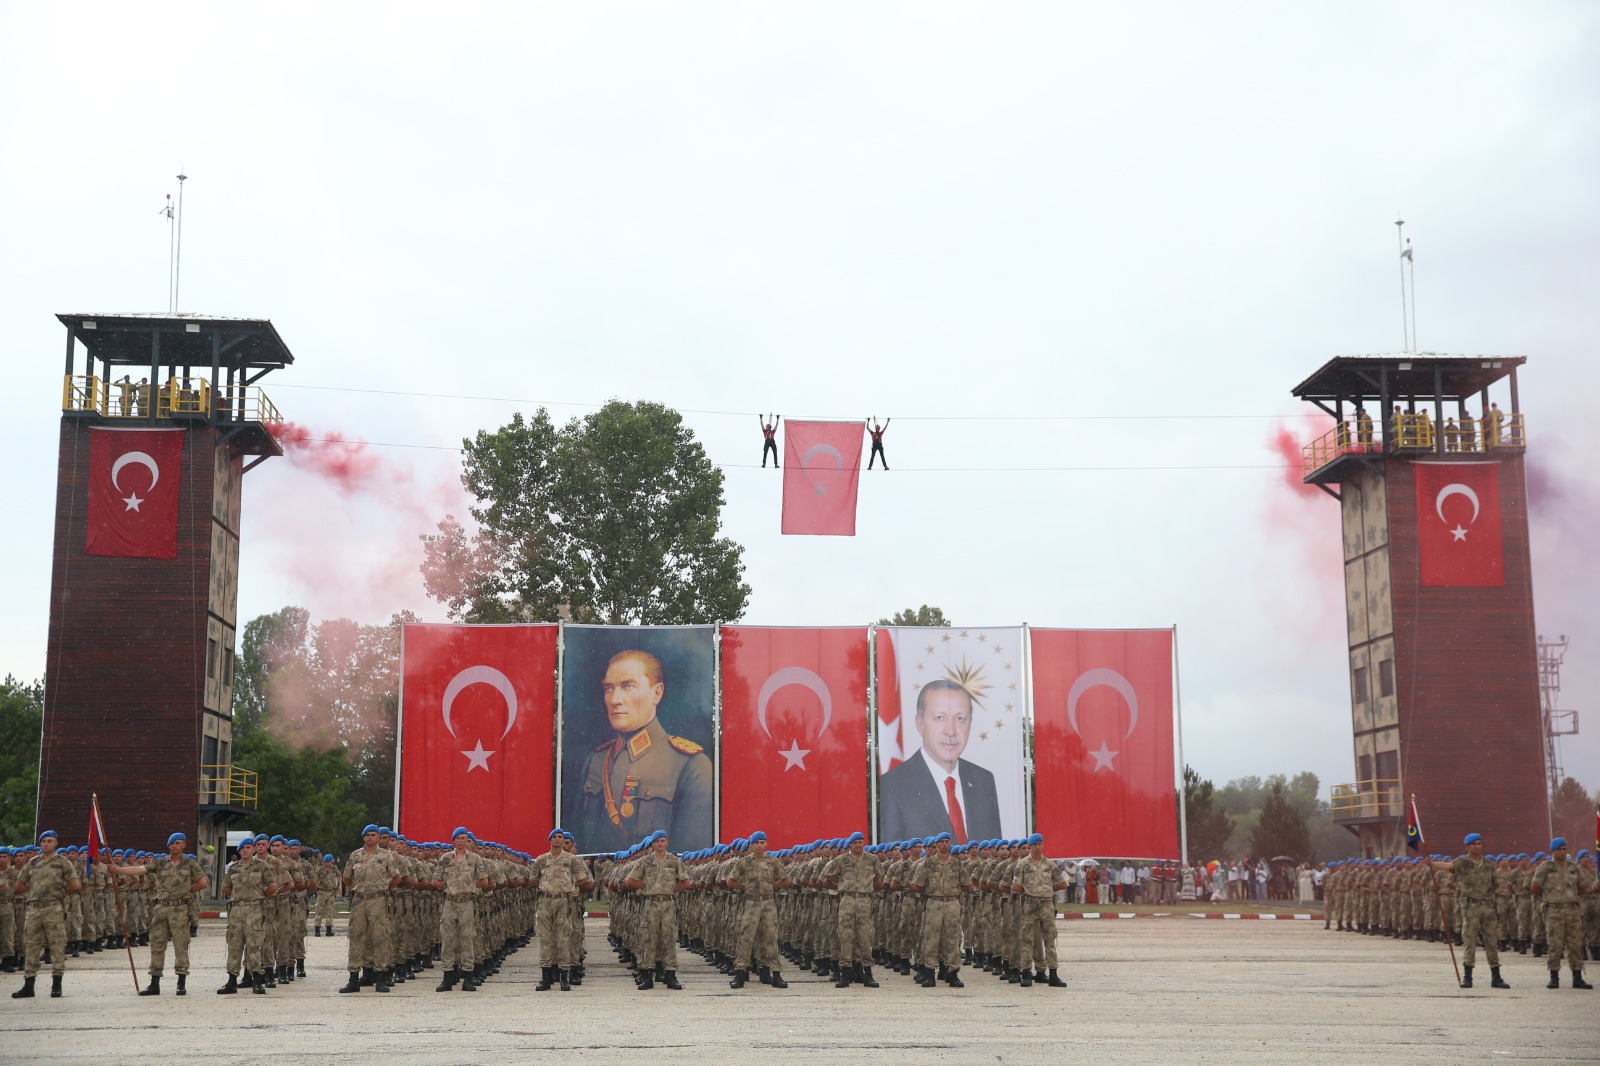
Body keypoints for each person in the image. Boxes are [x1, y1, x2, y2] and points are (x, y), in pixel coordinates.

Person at [576, 650, 714, 854]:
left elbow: (692, 858)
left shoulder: (691, 765)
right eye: (608, 688)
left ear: (657, 693)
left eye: (628, 686)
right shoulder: (596, 761)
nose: (614, 699)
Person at [877, 679, 1003, 843]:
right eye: (940, 717)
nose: (950, 731)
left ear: (970, 724)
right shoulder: (893, 785)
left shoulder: (983, 780)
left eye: (960, 719)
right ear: (920, 724)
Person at [107, 832, 207, 996]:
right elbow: (139, 869)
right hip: (161, 909)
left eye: (178, 843)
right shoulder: (160, 862)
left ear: (184, 845)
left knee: (181, 945)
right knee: (157, 945)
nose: (174, 846)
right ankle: (154, 983)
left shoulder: (189, 864)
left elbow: (203, 882)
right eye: (172, 843)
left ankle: (181, 983)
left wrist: (188, 891)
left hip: (180, 909)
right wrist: (117, 869)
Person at [1429, 833, 1509, 989]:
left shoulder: (1487, 864)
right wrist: (1432, 863)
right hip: (1470, 907)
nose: (1478, 846)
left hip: (1488, 907)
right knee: (1470, 941)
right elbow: (1449, 866)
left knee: (1492, 941)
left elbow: (1495, 884)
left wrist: (1484, 894)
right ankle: (1468, 977)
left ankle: (1496, 977)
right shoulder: (1463, 862)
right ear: (1467, 846)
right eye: (1474, 844)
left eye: (1480, 843)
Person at [10, 830, 82, 999]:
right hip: (34, 909)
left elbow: (75, 884)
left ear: (56, 843)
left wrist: (60, 892)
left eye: (49, 841)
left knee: (57, 945)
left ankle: (56, 984)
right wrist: (33, 892)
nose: (46, 844)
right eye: (43, 841)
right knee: (32, 945)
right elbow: (19, 884)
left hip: (54, 908)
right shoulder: (33, 862)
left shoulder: (62, 862)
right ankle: (29, 985)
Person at [621, 831, 691, 990]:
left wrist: (673, 889)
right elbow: (630, 880)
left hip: (668, 903)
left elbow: (686, 882)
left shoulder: (674, 861)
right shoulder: (645, 861)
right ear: (652, 844)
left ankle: (671, 975)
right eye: (657, 841)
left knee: (669, 939)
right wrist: (646, 888)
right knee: (649, 938)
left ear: (667, 842)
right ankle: (647, 976)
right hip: (650, 903)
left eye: (663, 840)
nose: (660, 843)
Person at [726, 830, 792, 989]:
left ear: (766, 844)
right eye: (757, 843)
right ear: (751, 845)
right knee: (746, 938)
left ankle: (775, 973)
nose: (760, 846)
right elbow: (730, 881)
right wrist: (745, 888)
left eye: (762, 842)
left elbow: (786, 880)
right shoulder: (744, 862)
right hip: (751, 904)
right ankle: (740, 973)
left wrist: (772, 887)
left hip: (768, 904)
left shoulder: (773, 862)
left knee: (771, 938)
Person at [340, 824, 402, 993]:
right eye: (367, 835)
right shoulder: (355, 856)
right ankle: (354, 978)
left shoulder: (385, 856)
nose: (370, 838)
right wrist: (359, 888)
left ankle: (381, 977)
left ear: (377, 837)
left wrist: (382, 889)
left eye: (373, 835)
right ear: (363, 837)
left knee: (380, 937)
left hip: (378, 901)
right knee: (356, 938)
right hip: (359, 900)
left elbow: (396, 878)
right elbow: (347, 878)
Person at [429, 827, 492, 992]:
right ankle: (447, 977)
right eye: (458, 838)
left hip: (466, 903)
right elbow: (435, 881)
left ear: (467, 840)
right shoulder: (446, 858)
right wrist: (448, 886)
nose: (461, 841)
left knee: (467, 939)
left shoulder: (475, 859)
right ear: (454, 841)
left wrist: (470, 886)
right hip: (449, 902)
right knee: (447, 939)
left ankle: (468, 977)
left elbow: (484, 882)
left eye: (464, 838)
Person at [531, 828, 593, 991]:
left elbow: (583, 880)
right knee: (546, 939)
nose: (558, 840)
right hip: (545, 901)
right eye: (555, 837)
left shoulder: (572, 860)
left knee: (564, 938)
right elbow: (533, 879)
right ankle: (546, 977)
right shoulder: (541, 860)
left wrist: (569, 888)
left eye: (561, 837)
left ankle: (564, 976)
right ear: (550, 840)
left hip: (564, 902)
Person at [1531, 837, 1595, 989]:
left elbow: (1583, 887)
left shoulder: (1573, 867)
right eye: (1560, 849)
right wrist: (1550, 897)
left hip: (1572, 910)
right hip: (1554, 910)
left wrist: (1570, 896)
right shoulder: (1546, 867)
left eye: (1565, 849)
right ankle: (1554, 977)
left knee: (1575, 943)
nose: (1563, 852)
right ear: (1553, 851)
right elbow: (1535, 887)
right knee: (1555, 944)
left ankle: (1577, 977)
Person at [822, 832, 883, 987]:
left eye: (861, 842)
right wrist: (841, 884)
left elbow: (879, 876)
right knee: (846, 936)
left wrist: (868, 887)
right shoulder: (842, 860)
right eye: (855, 843)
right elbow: (827, 876)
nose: (858, 845)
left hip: (864, 900)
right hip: (847, 900)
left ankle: (867, 974)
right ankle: (845, 974)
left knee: (865, 937)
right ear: (850, 844)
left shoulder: (872, 859)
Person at [908, 832, 969, 987]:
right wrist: (931, 892)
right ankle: (929, 973)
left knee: (953, 939)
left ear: (950, 844)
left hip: (952, 903)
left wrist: (953, 891)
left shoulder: (956, 864)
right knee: (931, 939)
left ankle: (953, 973)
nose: (943, 844)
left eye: (946, 841)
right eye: (940, 842)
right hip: (934, 903)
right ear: (937, 845)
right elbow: (916, 885)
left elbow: (967, 884)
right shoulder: (927, 864)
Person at [1011, 834, 1069, 987]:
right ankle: (1026, 974)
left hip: (1047, 904)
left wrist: (1049, 889)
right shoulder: (1022, 864)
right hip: (1029, 904)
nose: (1038, 847)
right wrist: (1031, 890)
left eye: (1040, 844)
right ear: (1029, 846)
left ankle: (1053, 974)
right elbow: (1015, 886)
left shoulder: (1049, 864)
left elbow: (1063, 883)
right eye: (1035, 844)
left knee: (1050, 939)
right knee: (1027, 940)